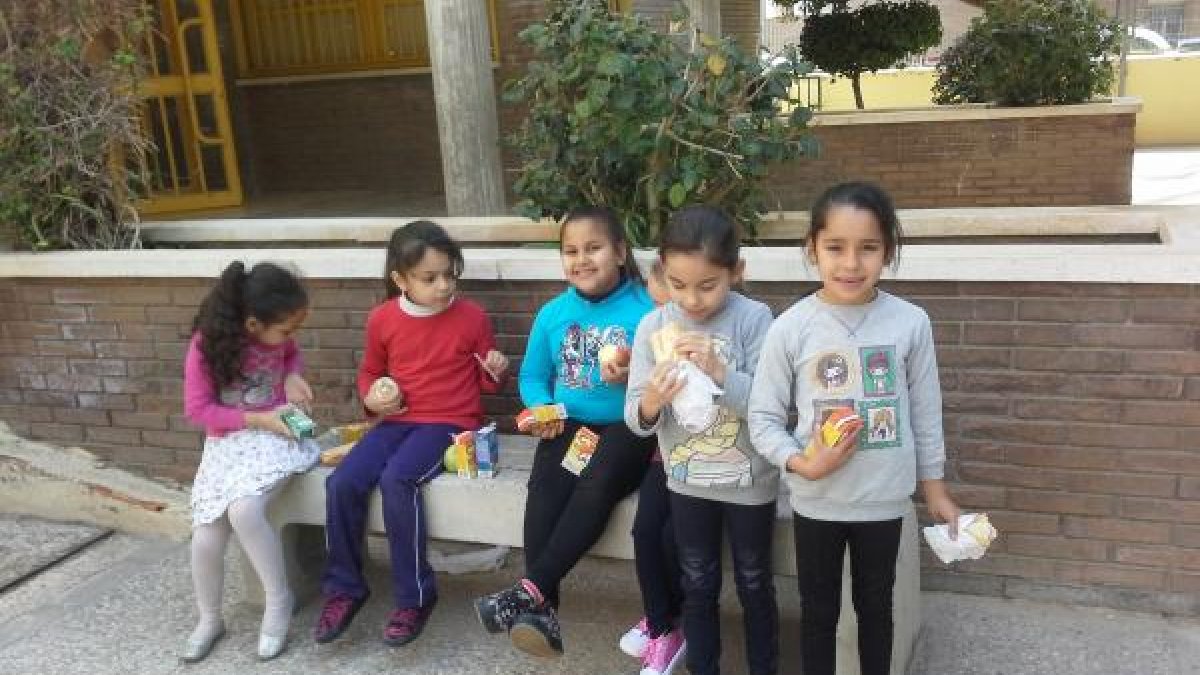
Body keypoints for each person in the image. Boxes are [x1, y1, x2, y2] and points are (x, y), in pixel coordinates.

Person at [748, 182, 960, 675]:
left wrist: (935, 489)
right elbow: (763, 419)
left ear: (888, 250)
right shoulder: (791, 327)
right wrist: (804, 461)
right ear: (812, 249)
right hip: (816, 498)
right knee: (819, 614)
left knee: (876, 609)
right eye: (835, 247)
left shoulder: (911, 323)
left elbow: (926, 411)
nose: (850, 264)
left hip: (884, 498)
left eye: (868, 248)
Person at [314, 221, 509, 647]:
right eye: (430, 278)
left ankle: (414, 596)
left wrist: (494, 370)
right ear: (400, 279)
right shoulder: (382, 320)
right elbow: (370, 373)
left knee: (398, 479)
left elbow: (486, 381)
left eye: (450, 274)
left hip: (451, 420)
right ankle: (345, 588)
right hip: (396, 420)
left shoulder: (471, 317)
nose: (443, 285)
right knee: (343, 481)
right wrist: (373, 399)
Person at [473, 207, 656, 658]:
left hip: (628, 427)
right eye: (570, 251)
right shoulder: (554, 313)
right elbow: (533, 375)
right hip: (571, 427)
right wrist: (541, 409)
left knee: (595, 485)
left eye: (593, 248)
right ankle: (542, 609)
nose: (582, 259)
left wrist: (634, 375)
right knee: (547, 489)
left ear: (619, 252)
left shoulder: (648, 309)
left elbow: (664, 376)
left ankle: (528, 590)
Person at [625, 206, 779, 675]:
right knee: (698, 582)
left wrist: (719, 372)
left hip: (751, 480)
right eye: (678, 284)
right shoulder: (653, 328)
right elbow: (635, 418)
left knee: (754, 581)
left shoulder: (754, 319)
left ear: (736, 271)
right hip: (686, 481)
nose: (691, 300)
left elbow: (770, 407)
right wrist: (652, 399)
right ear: (662, 275)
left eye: (707, 285)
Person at [182, 260, 316, 662]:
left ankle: (278, 600)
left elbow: (291, 355)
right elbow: (198, 411)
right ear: (253, 324)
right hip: (231, 441)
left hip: (278, 436)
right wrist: (256, 418)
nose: (291, 337)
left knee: (245, 510)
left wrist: (293, 375)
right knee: (206, 533)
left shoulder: (278, 338)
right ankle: (209, 618)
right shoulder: (208, 346)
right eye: (286, 330)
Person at [619, 257, 687, 675]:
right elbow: (641, 408)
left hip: (710, 461)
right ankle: (661, 624)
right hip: (662, 455)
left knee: (671, 537)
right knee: (645, 531)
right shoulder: (654, 329)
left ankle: (670, 620)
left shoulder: (728, 324)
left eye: (655, 282)